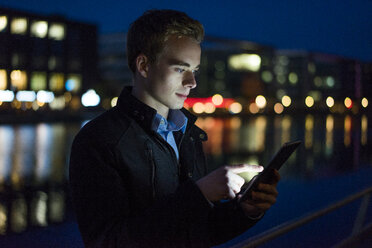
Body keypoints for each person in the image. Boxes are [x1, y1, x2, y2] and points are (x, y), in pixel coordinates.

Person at [69, 9, 280, 248]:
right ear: (144, 65)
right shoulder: (98, 140)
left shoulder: (185, 133)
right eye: (180, 69)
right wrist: (199, 194)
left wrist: (245, 210)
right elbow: (107, 243)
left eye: (194, 70)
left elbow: (199, 231)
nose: (192, 82)